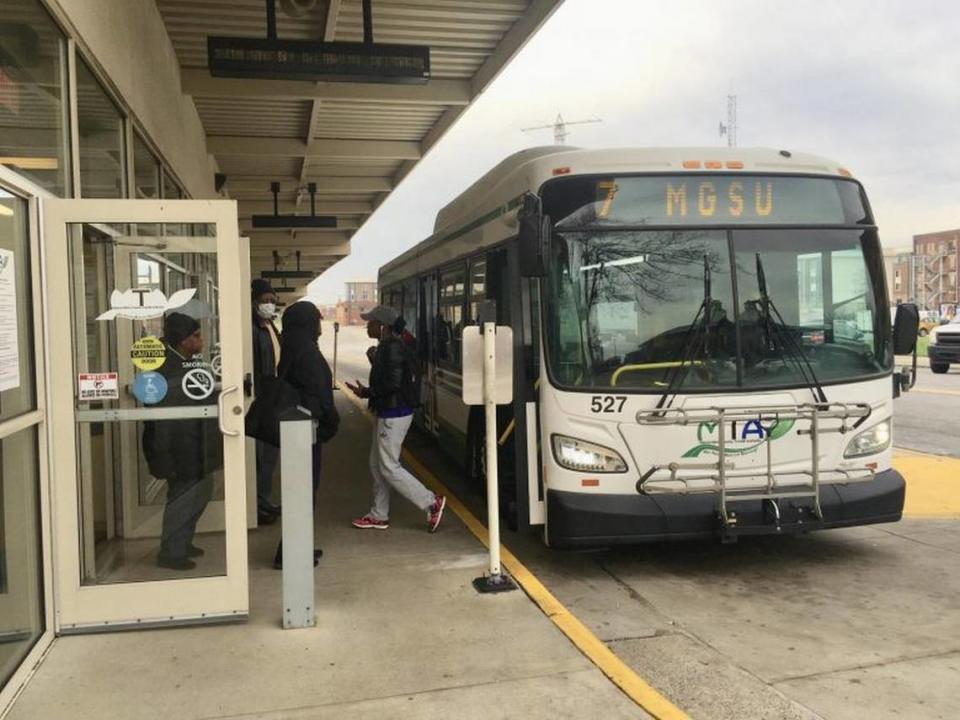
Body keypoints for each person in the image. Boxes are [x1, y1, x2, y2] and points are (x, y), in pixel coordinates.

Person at [347, 305, 445, 533]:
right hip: (390, 411)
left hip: (394, 413)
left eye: (371, 322)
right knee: (377, 464)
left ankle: (431, 502)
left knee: (389, 466)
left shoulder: (391, 348)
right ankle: (379, 515)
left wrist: (367, 392)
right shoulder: (388, 346)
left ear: (383, 327)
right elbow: (392, 379)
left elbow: (392, 384)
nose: (367, 326)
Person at [142, 312, 222, 571]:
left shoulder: (188, 361)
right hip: (181, 447)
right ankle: (171, 552)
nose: (201, 341)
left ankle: (182, 541)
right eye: (196, 336)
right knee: (182, 499)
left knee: (199, 494)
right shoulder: (167, 369)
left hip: (195, 442)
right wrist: (164, 457)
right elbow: (161, 421)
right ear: (182, 340)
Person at [273, 300, 339, 569]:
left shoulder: (293, 347)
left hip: (298, 431)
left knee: (299, 493)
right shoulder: (307, 352)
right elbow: (318, 394)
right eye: (316, 321)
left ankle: (298, 546)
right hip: (304, 432)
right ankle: (289, 554)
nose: (320, 327)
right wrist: (331, 420)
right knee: (302, 493)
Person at [251, 279, 282, 525]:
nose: (269, 305)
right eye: (265, 301)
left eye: (272, 301)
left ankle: (264, 499)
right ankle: (257, 506)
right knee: (260, 457)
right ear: (254, 302)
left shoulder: (270, 326)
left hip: (273, 399)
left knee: (270, 455)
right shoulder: (252, 329)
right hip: (260, 401)